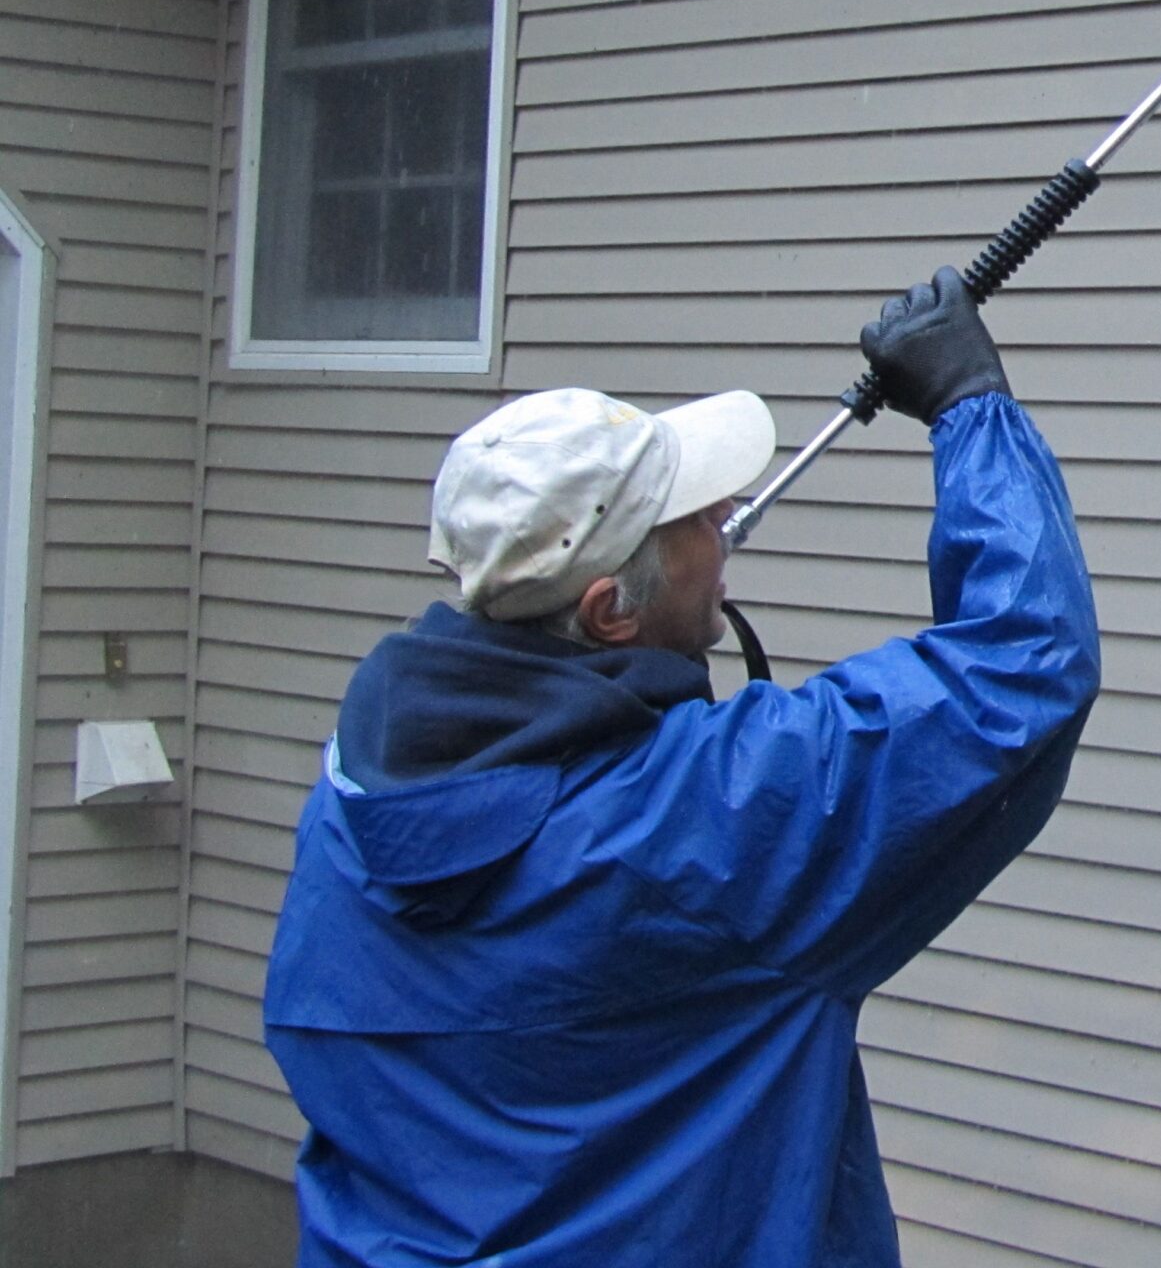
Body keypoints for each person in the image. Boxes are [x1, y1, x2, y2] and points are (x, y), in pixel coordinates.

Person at [264, 269, 1098, 1266]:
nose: (728, 513)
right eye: (695, 515)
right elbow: (1020, 668)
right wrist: (970, 407)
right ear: (610, 611)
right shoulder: (695, 827)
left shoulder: (356, 800)